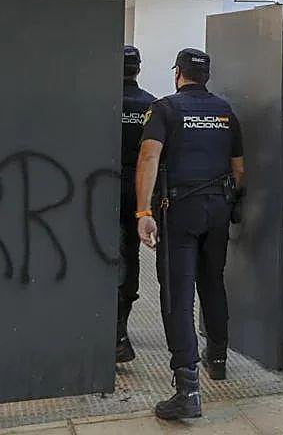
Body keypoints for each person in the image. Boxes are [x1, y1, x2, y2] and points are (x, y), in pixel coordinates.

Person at [134, 48, 244, 421]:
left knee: (178, 294)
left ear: (178, 73)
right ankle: (218, 359)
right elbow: (239, 168)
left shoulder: (164, 109)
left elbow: (149, 158)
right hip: (218, 207)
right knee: (212, 282)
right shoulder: (225, 111)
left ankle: (187, 389)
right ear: (206, 77)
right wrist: (231, 202)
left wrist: (143, 211)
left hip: (179, 210)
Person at [116, 45, 156, 364]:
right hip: (137, 190)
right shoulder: (152, 106)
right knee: (129, 254)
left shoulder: (101, 100)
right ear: (138, 69)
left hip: (98, 188)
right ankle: (119, 331)